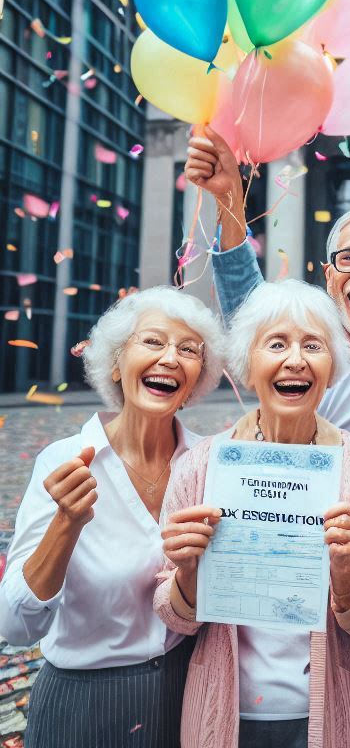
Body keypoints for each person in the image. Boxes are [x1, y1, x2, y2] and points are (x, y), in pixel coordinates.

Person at [154, 280, 350, 748]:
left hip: (337, 712)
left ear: (331, 365)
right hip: (224, 711)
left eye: (313, 345)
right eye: (276, 343)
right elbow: (174, 619)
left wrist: (344, 570)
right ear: (248, 364)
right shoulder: (202, 465)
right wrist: (187, 571)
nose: (295, 360)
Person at [0, 288, 226, 748]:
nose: (170, 358)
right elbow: (16, 626)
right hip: (83, 705)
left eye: (187, 350)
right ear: (117, 365)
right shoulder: (63, 461)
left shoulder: (212, 464)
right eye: (153, 342)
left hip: (190, 695)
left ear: (198, 377)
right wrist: (67, 523)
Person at [184, 126, 350, 455]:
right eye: (349, 258)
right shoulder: (298, 333)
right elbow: (247, 301)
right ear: (330, 276)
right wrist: (230, 196)